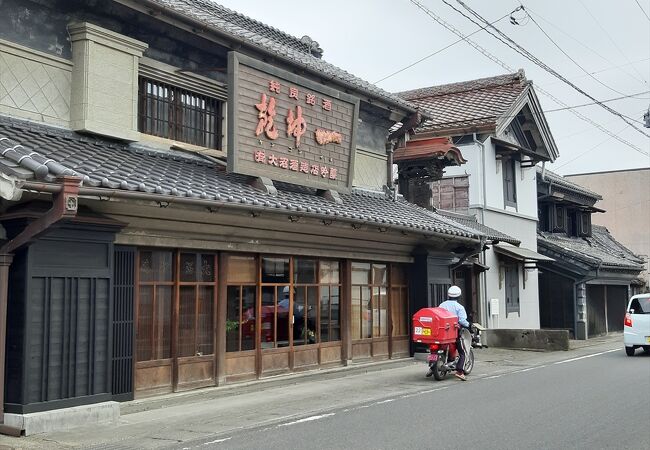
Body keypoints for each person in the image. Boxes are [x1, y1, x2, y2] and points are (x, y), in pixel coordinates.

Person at [438, 285, 470, 381]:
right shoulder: (459, 307)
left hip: (442, 333)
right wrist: (469, 325)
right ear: (459, 296)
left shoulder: (441, 305)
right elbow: (462, 321)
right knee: (463, 352)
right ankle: (460, 372)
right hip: (454, 333)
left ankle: (433, 367)